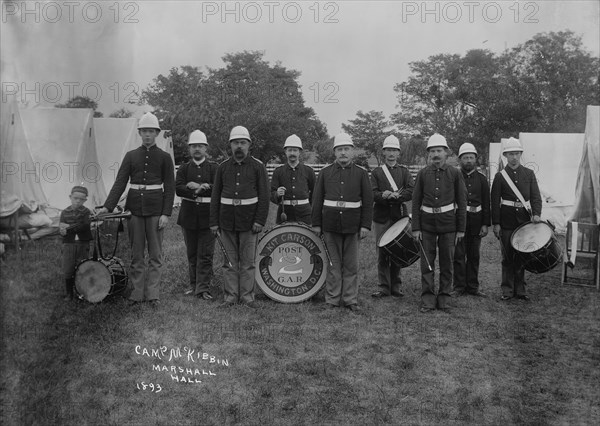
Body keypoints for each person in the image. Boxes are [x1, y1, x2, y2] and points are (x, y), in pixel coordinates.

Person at [97, 112, 175, 306]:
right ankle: (137, 293)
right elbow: (120, 182)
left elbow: (170, 187)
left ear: (156, 133)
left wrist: (166, 213)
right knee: (136, 254)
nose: (147, 135)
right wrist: (107, 206)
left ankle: (153, 294)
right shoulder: (131, 156)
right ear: (139, 133)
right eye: (144, 131)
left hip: (156, 210)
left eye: (151, 131)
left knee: (155, 255)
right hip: (134, 211)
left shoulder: (165, 157)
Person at [312, 132, 373, 311]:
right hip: (330, 225)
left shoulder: (361, 174)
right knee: (333, 263)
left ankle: (350, 299)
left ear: (352, 151)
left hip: (353, 225)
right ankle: (331, 299)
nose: (343, 153)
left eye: (346, 149)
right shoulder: (324, 173)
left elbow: (368, 202)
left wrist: (365, 225)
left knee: (351, 265)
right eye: (340, 149)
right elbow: (317, 200)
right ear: (334, 152)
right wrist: (316, 224)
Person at [209, 125, 269, 309]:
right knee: (229, 261)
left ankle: (247, 297)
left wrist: (259, 220)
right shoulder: (223, 168)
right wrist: (214, 222)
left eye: (243, 142)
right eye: (236, 143)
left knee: (248, 262)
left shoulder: (258, 167)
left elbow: (264, 196)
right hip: (227, 221)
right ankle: (230, 296)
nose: (239, 146)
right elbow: (215, 196)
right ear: (230, 145)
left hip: (250, 222)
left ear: (249, 145)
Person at [412, 133, 467, 313]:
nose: (436, 154)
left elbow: (462, 201)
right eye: (432, 151)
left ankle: (444, 299)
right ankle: (427, 299)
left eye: (439, 151)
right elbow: (415, 201)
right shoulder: (422, 174)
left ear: (446, 153)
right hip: (426, 226)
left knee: (447, 263)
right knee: (426, 263)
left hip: (448, 225)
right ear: (428, 154)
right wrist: (416, 228)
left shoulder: (455, 174)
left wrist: (460, 229)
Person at [491, 137, 542, 302]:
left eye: (516, 153)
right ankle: (507, 289)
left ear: (520, 154)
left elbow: (535, 197)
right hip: (506, 222)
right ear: (506, 155)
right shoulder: (500, 176)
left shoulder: (529, 174)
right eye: (510, 154)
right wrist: (497, 223)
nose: (514, 157)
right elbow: (494, 201)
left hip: (524, 222)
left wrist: (536, 214)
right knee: (507, 256)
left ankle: (520, 289)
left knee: (522, 255)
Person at [175, 130, 218, 300]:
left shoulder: (214, 167)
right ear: (189, 149)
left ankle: (203, 288)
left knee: (206, 253)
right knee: (192, 253)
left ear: (206, 148)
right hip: (189, 215)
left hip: (208, 216)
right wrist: (193, 189)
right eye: (193, 146)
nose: (197, 149)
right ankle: (193, 285)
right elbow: (178, 188)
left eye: (200, 146)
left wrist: (203, 186)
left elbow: (219, 187)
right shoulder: (184, 168)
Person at [370, 135, 414, 299]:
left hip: (398, 215)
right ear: (383, 152)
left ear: (398, 153)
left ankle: (396, 286)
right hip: (381, 215)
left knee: (397, 250)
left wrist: (398, 197)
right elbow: (372, 193)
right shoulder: (376, 172)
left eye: (394, 150)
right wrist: (384, 195)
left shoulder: (404, 171)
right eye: (388, 150)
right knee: (382, 251)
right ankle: (383, 287)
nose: (391, 153)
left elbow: (411, 190)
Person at [452, 143, 491, 297]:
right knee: (458, 255)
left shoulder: (482, 179)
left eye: (471, 157)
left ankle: (473, 287)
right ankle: (459, 287)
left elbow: (486, 203)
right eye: (465, 158)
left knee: (474, 255)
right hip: (458, 222)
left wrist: (485, 224)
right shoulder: (454, 177)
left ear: (476, 159)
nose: (468, 160)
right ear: (460, 159)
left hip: (476, 222)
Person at [270, 134, 316, 225]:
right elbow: (271, 194)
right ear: (285, 152)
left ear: (300, 152)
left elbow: (315, 193)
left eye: (295, 150)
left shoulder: (309, 171)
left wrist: (308, 206)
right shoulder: (278, 172)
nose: (292, 153)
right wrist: (277, 194)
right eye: (289, 150)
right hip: (285, 214)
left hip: (305, 214)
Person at [59, 186, 93, 300]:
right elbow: (62, 227)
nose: (78, 201)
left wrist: (68, 227)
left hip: (83, 244)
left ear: (85, 200)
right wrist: (62, 231)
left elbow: (84, 225)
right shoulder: (64, 212)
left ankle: (82, 291)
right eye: (75, 198)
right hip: (69, 244)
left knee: (82, 267)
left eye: (81, 199)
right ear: (70, 197)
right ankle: (69, 293)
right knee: (68, 268)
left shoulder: (86, 212)